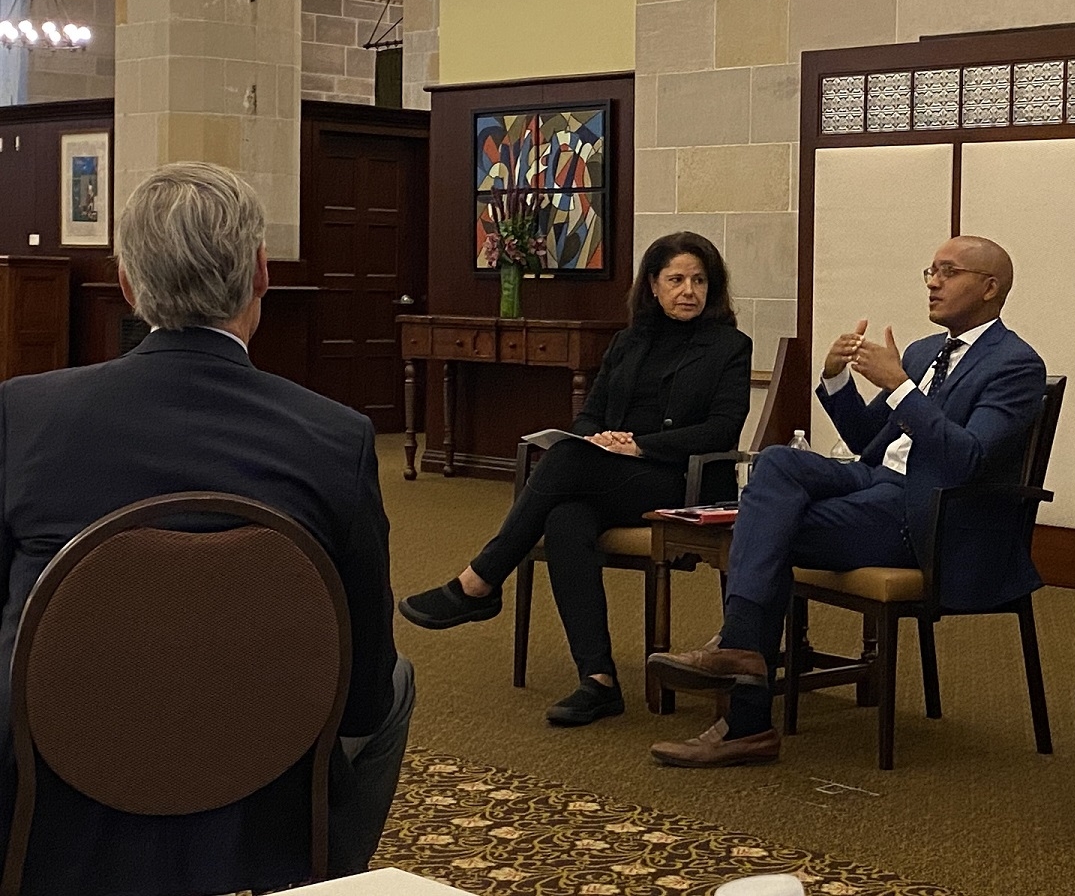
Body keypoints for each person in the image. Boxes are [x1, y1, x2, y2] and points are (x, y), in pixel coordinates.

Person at [0, 162, 412, 893]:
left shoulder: (24, 415)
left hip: (47, 791)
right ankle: (322, 875)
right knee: (400, 680)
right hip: (259, 794)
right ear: (261, 273)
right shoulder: (335, 438)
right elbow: (365, 695)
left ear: (126, 283)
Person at [645, 235, 1046, 768]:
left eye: (948, 272)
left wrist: (901, 387)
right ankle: (741, 658)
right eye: (930, 269)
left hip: (927, 516)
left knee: (767, 529)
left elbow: (967, 459)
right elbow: (869, 442)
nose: (932, 281)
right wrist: (836, 379)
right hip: (874, 482)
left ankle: (745, 711)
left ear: (990, 287)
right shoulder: (927, 353)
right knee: (776, 463)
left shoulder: (1016, 365)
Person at [400, 231, 753, 727]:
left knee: (563, 464)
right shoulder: (628, 342)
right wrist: (600, 438)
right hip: (614, 475)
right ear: (653, 285)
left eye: (698, 280)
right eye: (675, 279)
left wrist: (641, 445)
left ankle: (480, 581)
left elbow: (722, 428)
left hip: (682, 482)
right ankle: (599, 680)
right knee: (565, 518)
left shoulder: (730, 346)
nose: (688, 290)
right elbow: (589, 415)